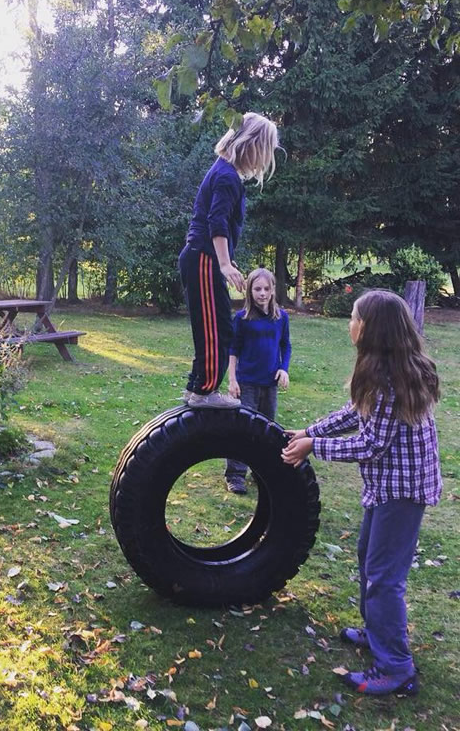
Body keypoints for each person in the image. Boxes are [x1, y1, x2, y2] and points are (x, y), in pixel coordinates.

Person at [282, 290, 441, 696]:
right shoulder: (382, 370)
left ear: (370, 329)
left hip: (402, 491)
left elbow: (372, 444)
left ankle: (397, 668)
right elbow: (355, 413)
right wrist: (311, 431)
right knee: (368, 560)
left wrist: (315, 448)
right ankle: (378, 633)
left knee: (385, 579)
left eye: (353, 317)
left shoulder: (392, 380)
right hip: (389, 487)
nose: (348, 324)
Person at [179, 112, 281, 409]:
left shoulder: (224, 172)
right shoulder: (226, 177)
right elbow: (217, 221)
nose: (266, 158)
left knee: (212, 326)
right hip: (204, 259)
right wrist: (224, 264)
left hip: (201, 259)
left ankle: (195, 387)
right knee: (218, 329)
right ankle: (204, 391)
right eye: (266, 150)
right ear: (253, 145)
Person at [223, 267, 291, 493]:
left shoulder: (281, 318)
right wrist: (232, 379)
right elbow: (233, 349)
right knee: (244, 429)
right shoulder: (242, 319)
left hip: (269, 384)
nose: (262, 293)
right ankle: (235, 475)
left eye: (266, 289)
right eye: (257, 289)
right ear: (250, 291)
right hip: (247, 383)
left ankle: (261, 471)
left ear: (273, 290)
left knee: (266, 429)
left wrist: (284, 369)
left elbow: (285, 346)